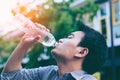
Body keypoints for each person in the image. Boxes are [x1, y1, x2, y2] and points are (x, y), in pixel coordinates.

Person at [1, 23, 108, 80]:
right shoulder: (49, 72)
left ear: (81, 52)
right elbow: (10, 77)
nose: (61, 39)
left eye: (70, 37)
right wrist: (24, 44)